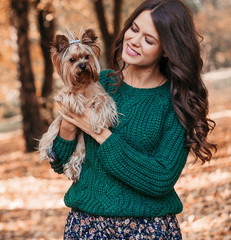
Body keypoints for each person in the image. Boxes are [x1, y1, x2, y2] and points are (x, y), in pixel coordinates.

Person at [50, 0, 216, 238]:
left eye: (149, 39)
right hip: (85, 227)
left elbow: (161, 179)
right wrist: (68, 124)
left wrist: (99, 132)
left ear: (167, 49)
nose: (135, 41)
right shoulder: (99, 83)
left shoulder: (176, 103)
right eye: (134, 29)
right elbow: (58, 162)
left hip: (148, 229)